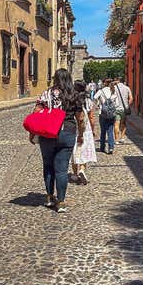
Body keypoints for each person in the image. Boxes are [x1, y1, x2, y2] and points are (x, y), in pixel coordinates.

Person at [34, 68, 85, 212]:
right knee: (62, 169)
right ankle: (61, 202)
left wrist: (32, 134)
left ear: (55, 79)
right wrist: (81, 134)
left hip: (47, 133)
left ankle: (50, 198)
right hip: (67, 132)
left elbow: (36, 112)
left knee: (48, 166)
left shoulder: (46, 93)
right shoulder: (74, 95)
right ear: (69, 78)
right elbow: (80, 119)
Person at [71, 80, 97, 185]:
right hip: (86, 129)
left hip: (73, 128)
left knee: (75, 150)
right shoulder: (88, 101)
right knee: (84, 149)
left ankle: (75, 174)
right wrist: (93, 129)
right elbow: (91, 118)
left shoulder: (72, 100)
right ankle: (82, 169)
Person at [94, 79, 119, 155]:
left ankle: (102, 147)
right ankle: (111, 147)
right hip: (112, 114)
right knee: (110, 131)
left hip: (102, 113)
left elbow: (94, 97)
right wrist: (112, 107)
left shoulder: (101, 91)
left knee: (103, 131)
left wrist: (99, 104)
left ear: (105, 83)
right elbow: (117, 104)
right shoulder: (113, 91)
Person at [114, 77, 133, 144]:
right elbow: (131, 98)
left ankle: (116, 139)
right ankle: (122, 138)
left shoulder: (114, 88)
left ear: (118, 81)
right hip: (124, 109)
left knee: (116, 123)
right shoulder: (127, 88)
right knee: (123, 123)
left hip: (116, 108)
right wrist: (127, 105)